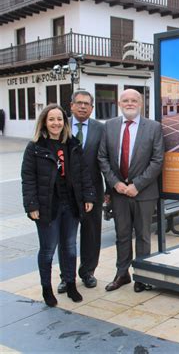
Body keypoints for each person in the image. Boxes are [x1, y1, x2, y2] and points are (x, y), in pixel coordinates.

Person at [21, 104, 96, 307]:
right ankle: (47, 288)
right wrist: (31, 205)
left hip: (70, 204)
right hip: (47, 206)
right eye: (51, 119)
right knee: (48, 249)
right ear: (44, 122)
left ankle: (70, 284)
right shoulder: (35, 147)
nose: (56, 123)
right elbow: (28, 179)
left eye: (60, 119)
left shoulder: (72, 144)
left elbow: (83, 173)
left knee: (70, 248)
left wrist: (88, 197)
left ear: (65, 122)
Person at [98, 89, 164, 293]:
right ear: (119, 103)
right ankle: (122, 274)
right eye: (125, 100)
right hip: (118, 192)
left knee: (143, 235)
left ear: (141, 103)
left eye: (133, 100)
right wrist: (116, 184)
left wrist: (137, 185)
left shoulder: (154, 127)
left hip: (143, 193)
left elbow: (157, 160)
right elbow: (102, 157)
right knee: (122, 234)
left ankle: (142, 276)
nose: (129, 103)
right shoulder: (109, 126)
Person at [57, 91, 104, 293]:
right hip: (65, 193)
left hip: (93, 191)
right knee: (66, 236)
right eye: (79, 103)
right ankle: (66, 277)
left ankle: (87, 272)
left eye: (87, 104)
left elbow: (106, 160)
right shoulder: (59, 125)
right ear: (71, 105)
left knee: (91, 234)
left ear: (92, 108)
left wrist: (109, 189)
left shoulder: (100, 129)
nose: (83, 107)